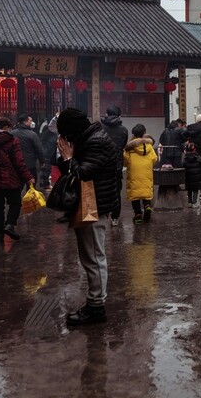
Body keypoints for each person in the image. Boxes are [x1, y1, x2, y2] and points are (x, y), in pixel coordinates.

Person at [55, 108, 120, 325]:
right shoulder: (89, 137)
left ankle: (96, 307)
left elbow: (82, 174)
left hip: (95, 207)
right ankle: (95, 302)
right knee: (90, 257)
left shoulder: (96, 142)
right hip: (89, 204)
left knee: (94, 258)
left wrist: (68, 158)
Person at [99, 106, 129, 224]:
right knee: (116, 191)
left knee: (100, 189)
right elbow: (122, 145)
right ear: (119, 115)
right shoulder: (124, 130)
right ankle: (115, 218)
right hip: (116, 164)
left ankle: (101, 214)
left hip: (101, 163)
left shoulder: (100, 128)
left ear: (106, 114)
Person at [125, 124, 157, 223]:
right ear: (144, 133)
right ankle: (147, 205)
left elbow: (125, 160)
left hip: (134, 172)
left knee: (134, 193)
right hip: (146, 172)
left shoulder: (130, 147)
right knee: (146, 191)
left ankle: (138, 215)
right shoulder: (149, 146)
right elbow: (154, 159)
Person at [11, 115, 46, 191]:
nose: (31, 122)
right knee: (31, 187)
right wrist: (42, 160)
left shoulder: (12, 133)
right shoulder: (32, 134)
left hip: (16, 164)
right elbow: (39, 149)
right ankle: (29, 202)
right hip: (30, 165)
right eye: (30, 120)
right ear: (25, 122)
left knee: (17, 187)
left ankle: (16, 202)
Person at [183, 141, 201, 208]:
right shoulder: (198, 157)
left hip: (188, 178)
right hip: (197, 177)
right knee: (195, 190)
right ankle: (194, 202)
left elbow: (183, 166)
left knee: (189, 190)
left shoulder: (185, 159)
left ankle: (189, 202)